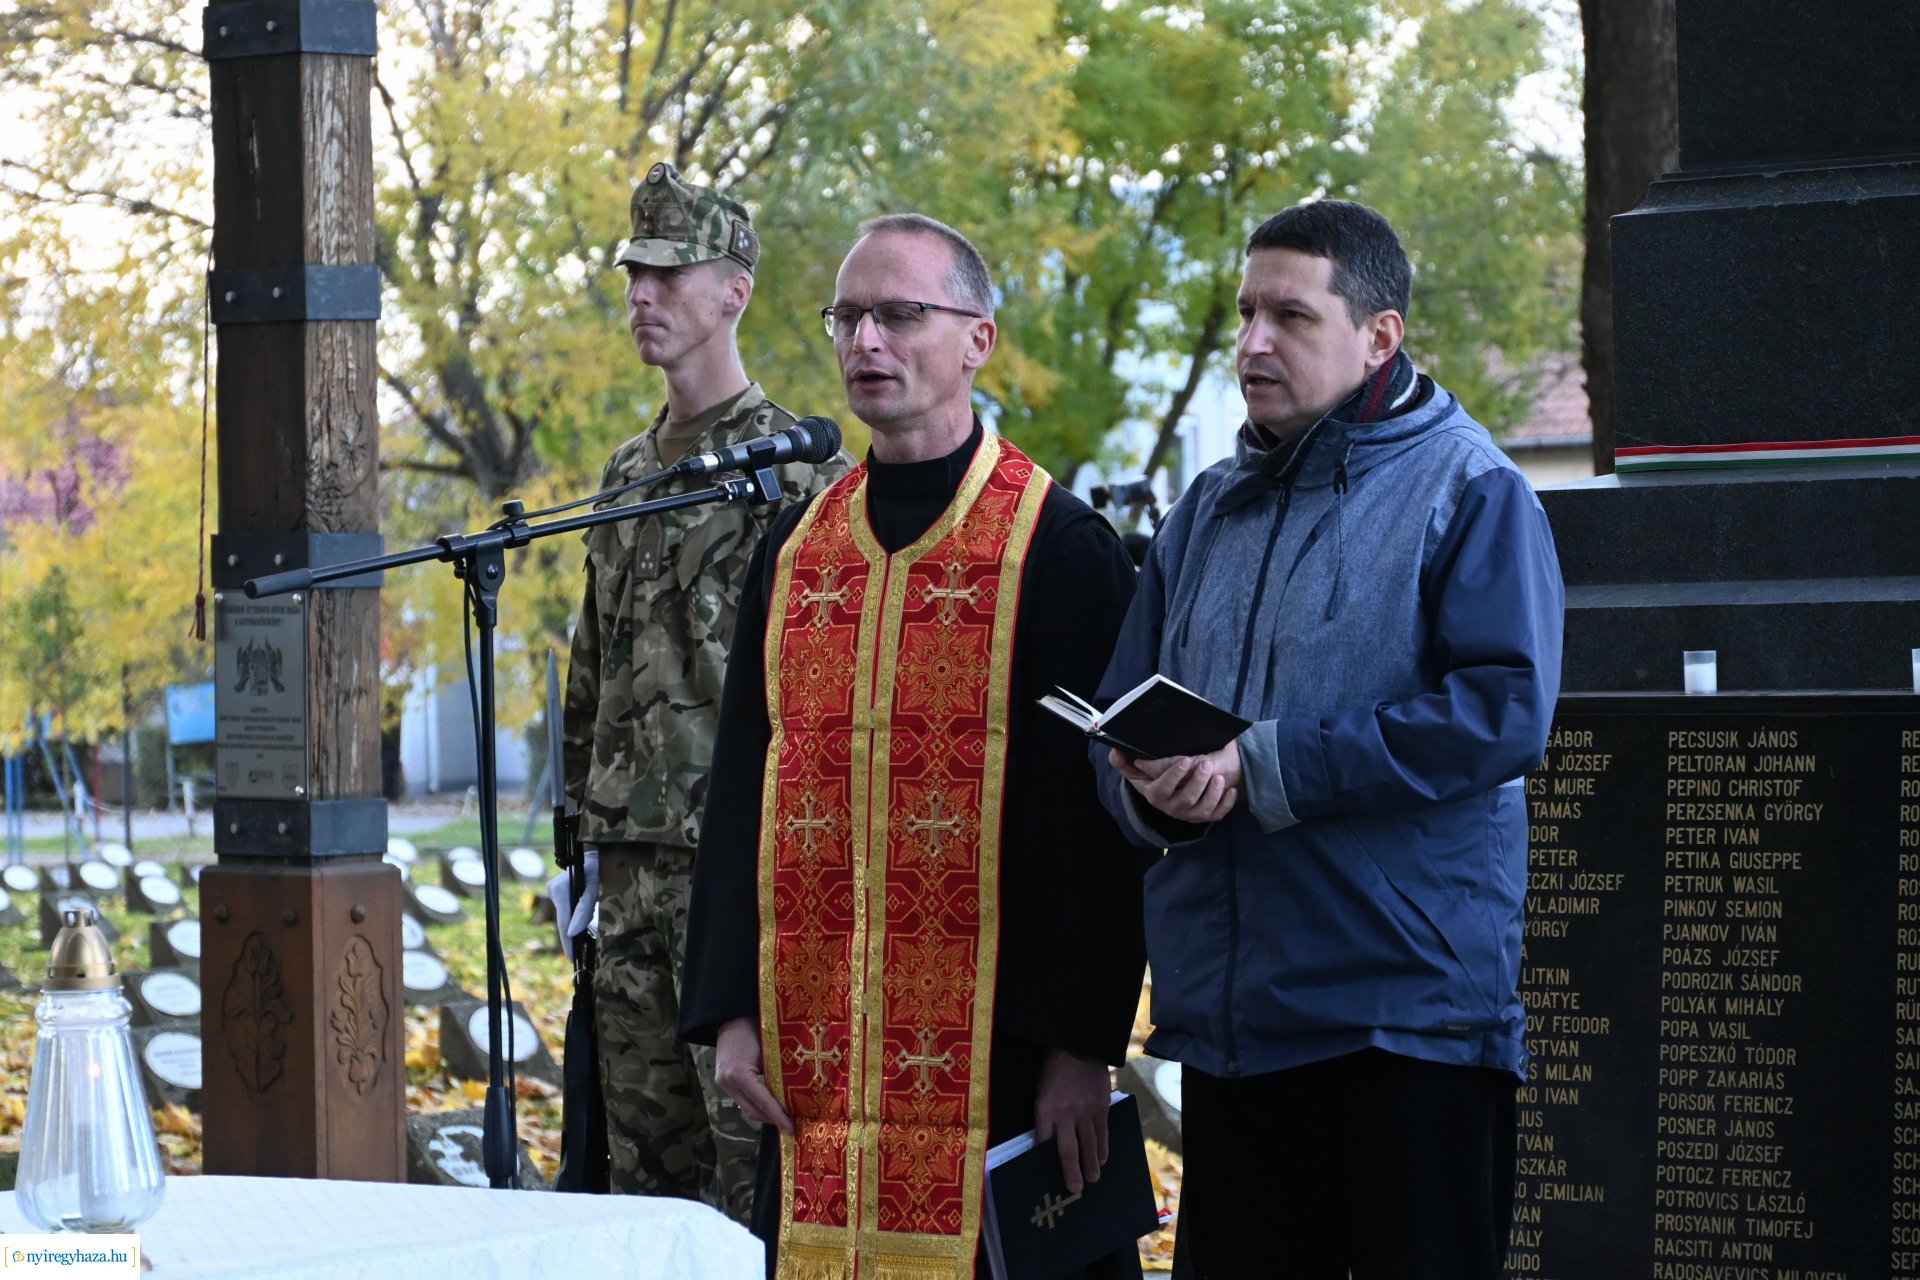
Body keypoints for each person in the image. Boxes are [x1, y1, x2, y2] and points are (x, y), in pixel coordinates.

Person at [1092, 200, 1564, 1278]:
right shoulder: (1203, 509)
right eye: (1246, 312)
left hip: (1406, 1030)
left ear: (1379, 337)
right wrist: (1148, 789)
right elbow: (1117, 712)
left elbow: (1503, 713)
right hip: (1231, 1030)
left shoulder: (1473, 489)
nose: (1253, 341)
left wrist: (1263, 765)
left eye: (1290, 316)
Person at [680, 213, 1150, 1277]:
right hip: (816, 1046)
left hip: (1004, 1049)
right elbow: (747, 778)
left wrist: (1082, 1042)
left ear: (977, 338)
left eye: (900, 315)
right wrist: (731, 1006)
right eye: (847, 318)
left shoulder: (1061, 548)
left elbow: (1098, 824)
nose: (866, 343)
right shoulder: (799, 550)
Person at [561, 161, 852, 1221]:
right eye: (634, 274)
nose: (642, 294)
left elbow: (815, 698)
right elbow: (593, 664)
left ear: (733, 289)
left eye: (668, 275)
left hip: (737, 873)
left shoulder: (795, 474)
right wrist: (576, 843)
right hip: (627, 869)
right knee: (642, 1188)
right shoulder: (627, 469)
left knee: (750, 1176)